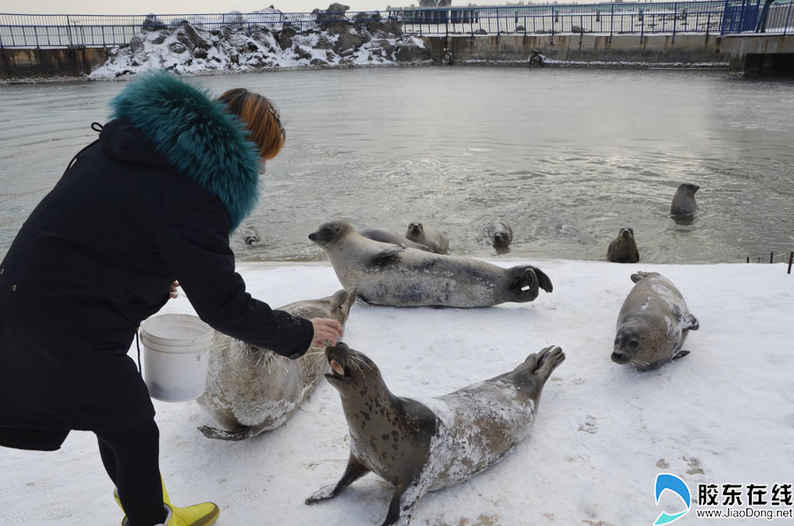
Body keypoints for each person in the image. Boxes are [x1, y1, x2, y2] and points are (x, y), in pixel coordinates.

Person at [0, 72, 343, 526]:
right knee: (131, 424)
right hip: (59, 322)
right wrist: (300, 333)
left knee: (117, 416)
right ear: (242, 151)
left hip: (24, 295)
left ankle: (149, 510)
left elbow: (100, 232)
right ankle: (151, 520)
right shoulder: (194, 191)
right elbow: (222, 304)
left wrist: (149, 276)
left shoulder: (135, 150)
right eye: (261, 160)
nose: (260, 173)